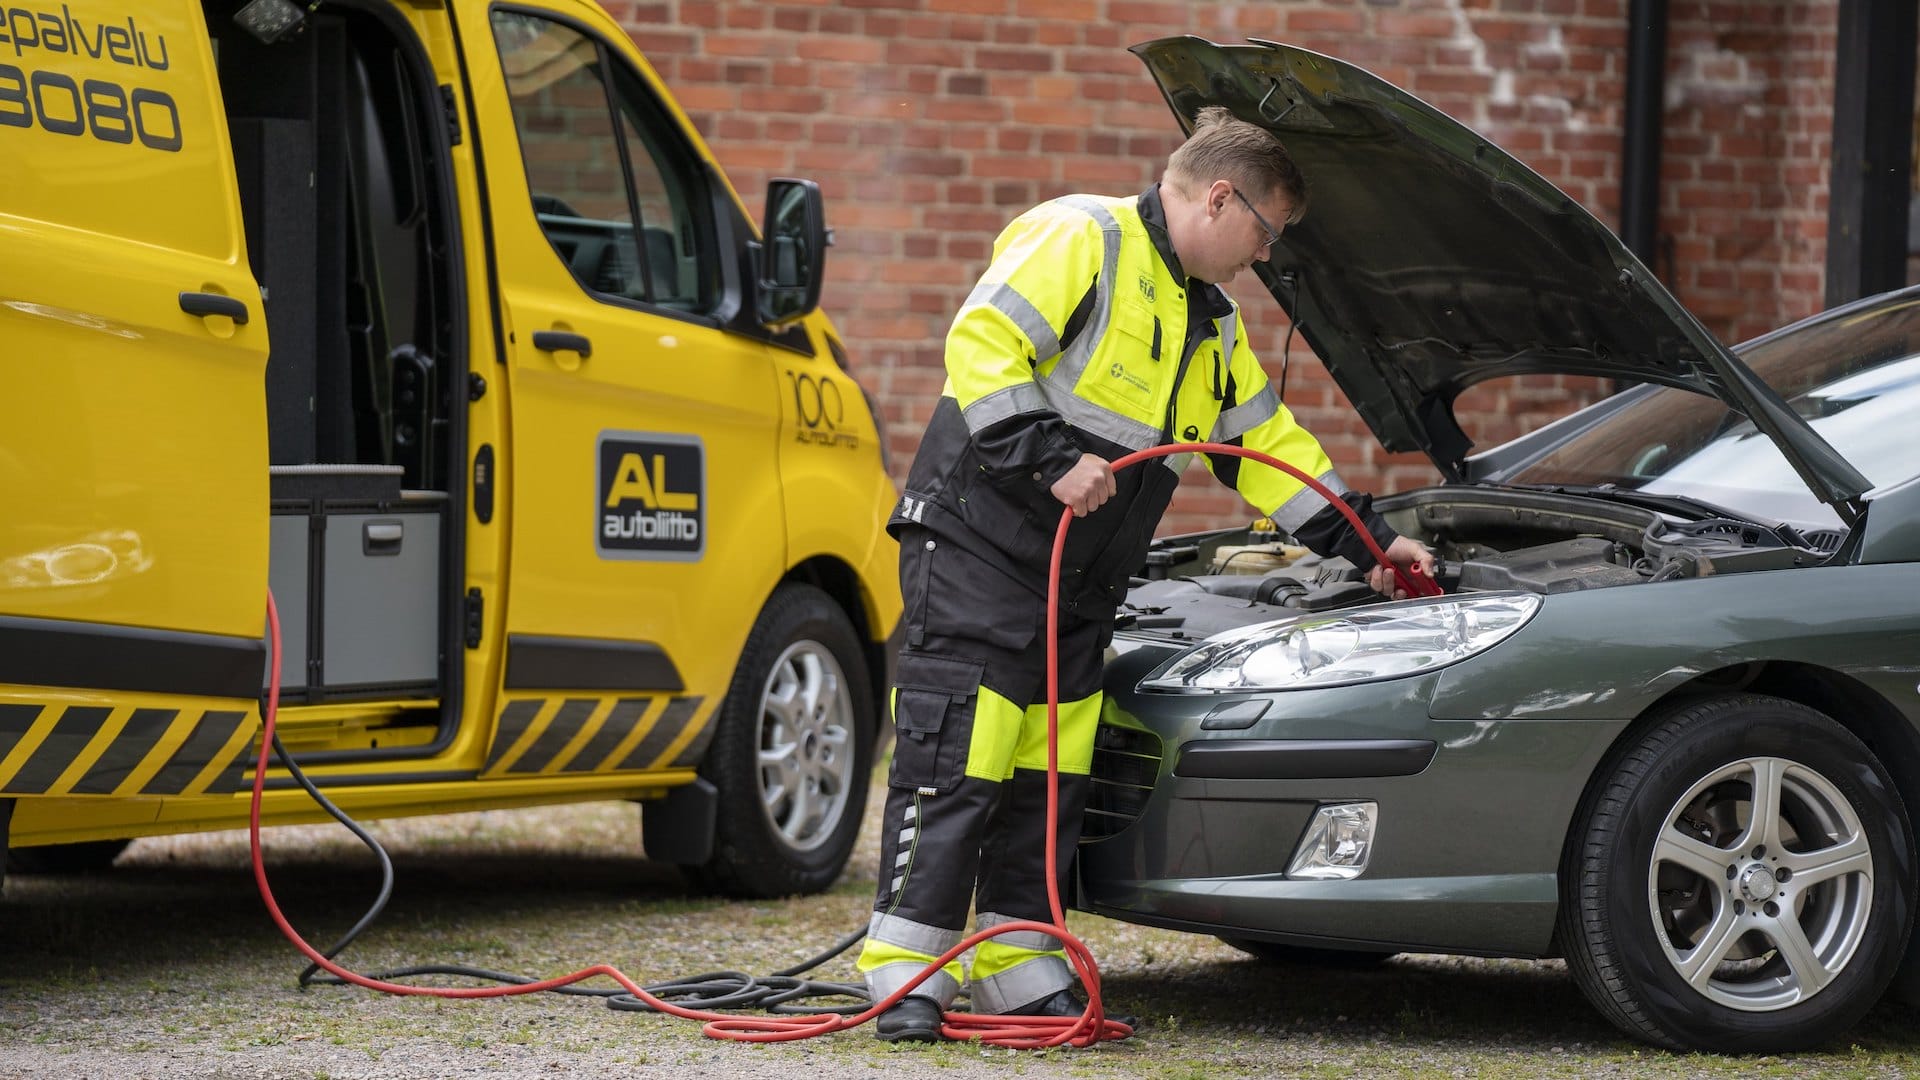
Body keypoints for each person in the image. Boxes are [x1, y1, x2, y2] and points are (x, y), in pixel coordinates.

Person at [855, 106, 1436, 1043]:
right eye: (1265, 232)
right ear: (1219, 195)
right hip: (978, 551)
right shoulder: (1082, 235)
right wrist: (1049, 457)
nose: (1263, 256)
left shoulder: (1211, 324)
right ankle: (906, 971)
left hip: (1077, 586)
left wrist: (1367, 546)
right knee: (957, 760)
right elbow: (980, 344)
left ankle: (1018, 965)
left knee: (1048, 776)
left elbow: (1262, 450)